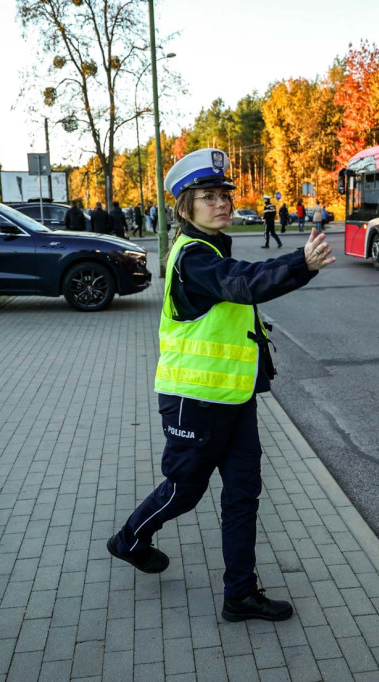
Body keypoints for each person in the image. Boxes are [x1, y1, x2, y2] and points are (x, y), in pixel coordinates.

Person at [106, 147, 335, 623]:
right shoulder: (193, 257)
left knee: (242, 495)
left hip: (235, 399)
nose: (222, 204)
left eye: (224, 195)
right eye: (208, 196)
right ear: (184, 206)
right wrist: (302, 264)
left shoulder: (214, 249)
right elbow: (244, 284)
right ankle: (129, 538)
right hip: (194, 402)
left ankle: (240, 594)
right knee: (185, 490)